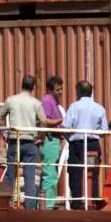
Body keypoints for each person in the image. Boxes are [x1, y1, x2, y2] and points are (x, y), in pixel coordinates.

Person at [0, 75, 61, 210]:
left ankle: (6, 204)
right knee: (29, 176)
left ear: (22, 85)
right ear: (33, 87)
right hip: (30, 142)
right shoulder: (36, 103)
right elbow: (44, 121)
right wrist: (41, 137)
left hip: (14, 141)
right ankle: (30, 207)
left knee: (10, 175)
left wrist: (4, 133)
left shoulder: (11, 100)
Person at [64, 80, 108, 210]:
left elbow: (66, 127)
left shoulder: (74, 107)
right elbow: (104, 131)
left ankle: (76, 203)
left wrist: (70, 139)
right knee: (92, 172)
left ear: (78, 92)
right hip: (92, 145)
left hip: (76, 145)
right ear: (91, 92)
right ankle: (92, 202)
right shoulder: (99, 108)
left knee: (75, 172)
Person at [40, 76, 65, 210]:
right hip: (50, 139)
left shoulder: (53, 101)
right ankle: (48, 205)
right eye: (57, 89)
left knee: (50, 172)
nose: (60, 92)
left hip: (54, 140)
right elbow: (45, 121)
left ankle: (45, 202)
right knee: (50, 173)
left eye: (61, 89)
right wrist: (61, 121)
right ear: (50, 90)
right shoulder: (47, 101)